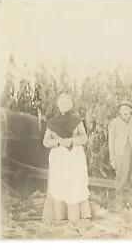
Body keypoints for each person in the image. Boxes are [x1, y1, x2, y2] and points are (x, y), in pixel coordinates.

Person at [42, 93, 91, 221]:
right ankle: (61, 217)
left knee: (75, 184)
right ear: (58, 105)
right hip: (59, 158)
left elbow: (84, 138)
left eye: (67, 103)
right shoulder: (52, 122)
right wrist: (58, 142)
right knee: (60, 184)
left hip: (74, 156)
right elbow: (46, 141)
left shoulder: (76, 120)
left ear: (71, 105)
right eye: (62, 103)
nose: (64, 105)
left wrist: (72, 140)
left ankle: (75, 218)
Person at [108, 100, 132, 204]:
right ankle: (119, 200)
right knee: (121, 176)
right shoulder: (115, 122)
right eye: (123, 109)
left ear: (131, 111)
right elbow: (111, 141)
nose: (125, 111)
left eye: (127, 109)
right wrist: (112, 156)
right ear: (119, 111)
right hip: (121, 152)